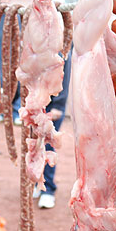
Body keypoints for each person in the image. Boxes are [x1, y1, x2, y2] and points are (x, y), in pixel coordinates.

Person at [35, 51, 71, 209]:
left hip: (52, 101)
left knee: (49, 144)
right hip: (35, 99)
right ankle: (38, 182)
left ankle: (48, 190)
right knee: (35, 144)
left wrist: (59, 104)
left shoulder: (61, 39)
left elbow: (65, 72)